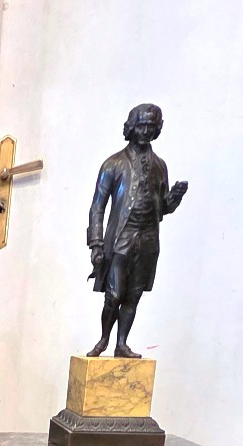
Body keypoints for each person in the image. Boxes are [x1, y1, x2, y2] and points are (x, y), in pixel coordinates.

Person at [86, 103, 187, 359]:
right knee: (114, 294)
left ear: (157, 130)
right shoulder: (113, 164)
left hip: (148, 239)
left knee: (134, 295)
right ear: (131, 127)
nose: (145, 131)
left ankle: (122, 343)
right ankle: (104, 339)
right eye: (140, 125)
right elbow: (97, 207)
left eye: (150, 127)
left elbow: (161, 208)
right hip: (121, 238)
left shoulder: (159, 166)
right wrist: (96, 244)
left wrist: (174, 197)